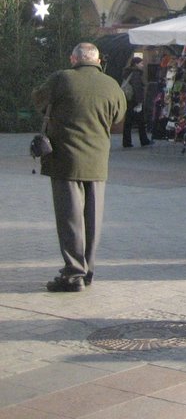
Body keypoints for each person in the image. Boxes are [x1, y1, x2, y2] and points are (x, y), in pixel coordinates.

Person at [31, 43, 127, 291]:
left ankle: (73, 273)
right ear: (97, 61)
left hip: (65, 160)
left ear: (74, 59)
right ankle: (88, 271)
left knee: (70, 217)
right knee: (92, 219)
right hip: (97, 160)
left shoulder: (63, 78)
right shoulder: (111, 84)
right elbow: (118, 118)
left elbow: (38, 100)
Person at [120, 56, 150, 148]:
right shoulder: (136, 74)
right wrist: (139, 102)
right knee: (141, 122)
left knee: (128, 122)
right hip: (135, 101)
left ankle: (126, 141)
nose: (142, 65)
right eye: (141, 63)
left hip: (129, 100)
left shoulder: (128, 73)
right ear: (136, 64)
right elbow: (137, 89)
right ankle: (144, 140)